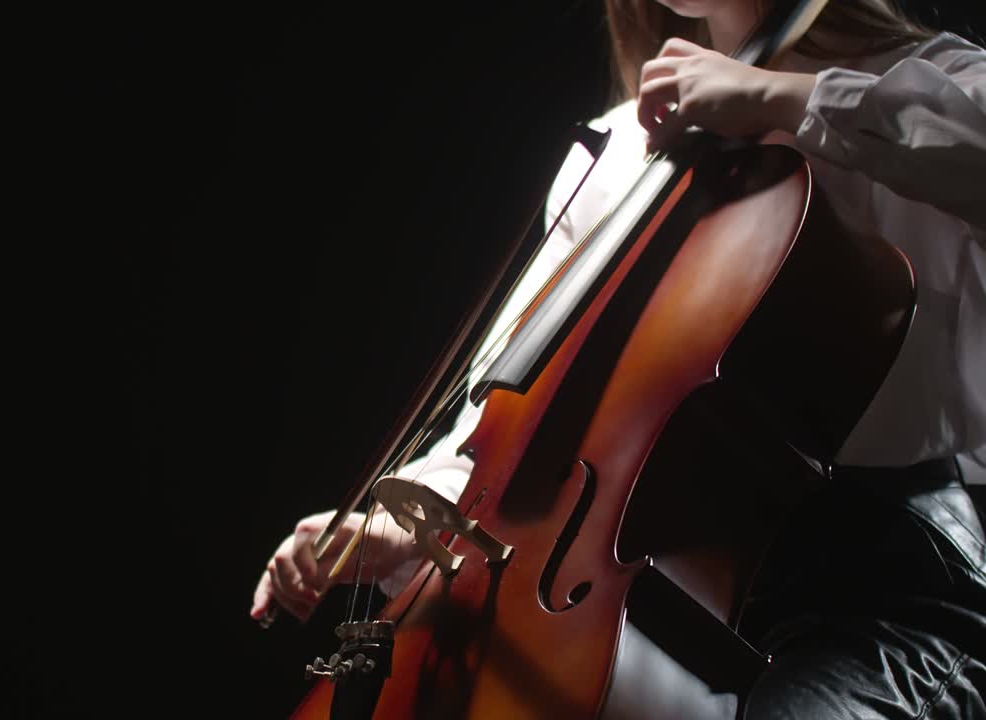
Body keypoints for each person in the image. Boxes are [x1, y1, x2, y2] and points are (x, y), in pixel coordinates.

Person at [252, 0, 986, 716]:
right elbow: (516, 417)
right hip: (649, 580)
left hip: (871, 589)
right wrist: (414, 517)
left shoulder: (935, 82)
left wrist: (791, 100)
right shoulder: (616, 149)